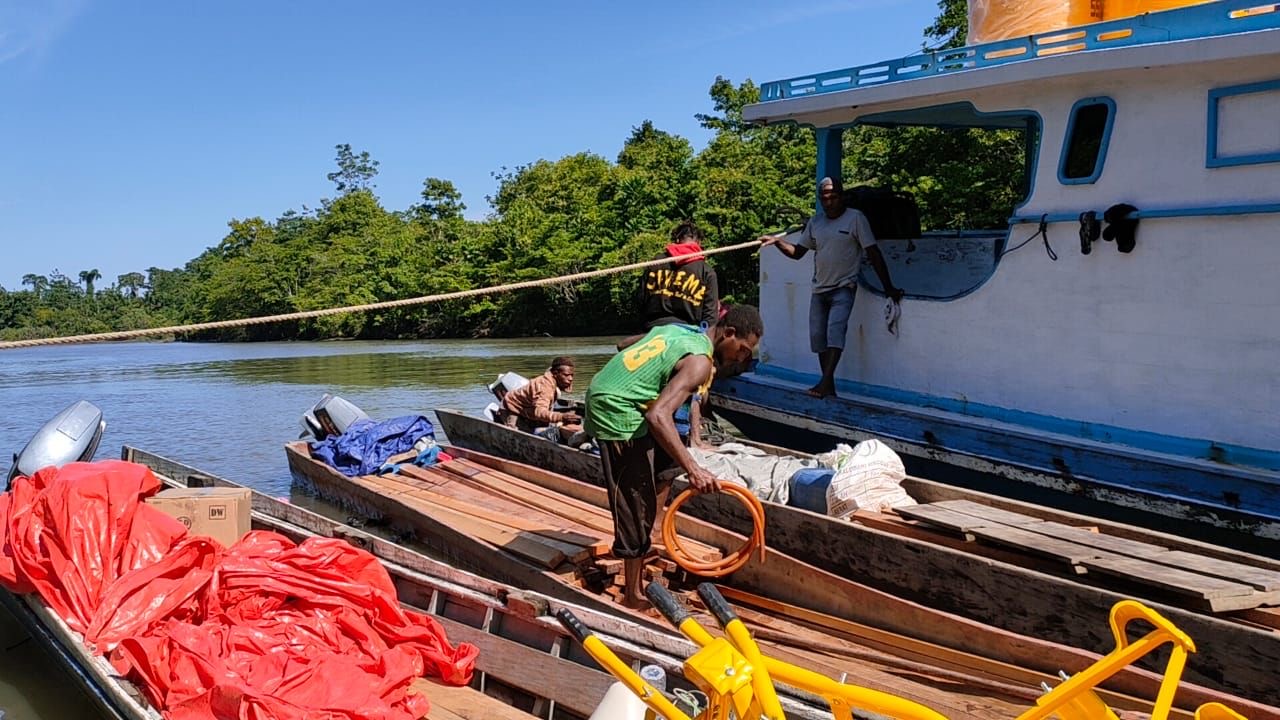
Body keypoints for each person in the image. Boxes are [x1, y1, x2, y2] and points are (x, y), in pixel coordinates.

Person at [585, 305, 763, 609]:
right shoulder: (700, 362)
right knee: (634, 497)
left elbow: (625, 344)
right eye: (743, 349)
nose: (743, 358)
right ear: (729, 333)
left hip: (623, 396)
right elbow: (658, 415)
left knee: (666, 468)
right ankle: (633, 594)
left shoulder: (681, 331)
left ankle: (649, 536)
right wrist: (694, 469)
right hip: (615, 407)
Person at [759, 177, 903, 399]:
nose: (829, 202)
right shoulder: (816, 223)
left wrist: (888, 287)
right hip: (819, 289)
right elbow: (797, 253)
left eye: (833, 197)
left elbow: (873, 252)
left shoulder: (855, 218)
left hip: (844, 286)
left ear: (842, 197)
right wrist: (777, 242)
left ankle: (825, 382)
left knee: (835, 332)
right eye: (824, 199)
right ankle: (829, 385)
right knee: (818, 338)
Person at [616, 221, 721, 447]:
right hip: (686, 337)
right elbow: (710, 319)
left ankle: (640, 435)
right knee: (690, 386)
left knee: (649, 389)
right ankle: (693, 438)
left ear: (676, 239)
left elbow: (641, 302)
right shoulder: (705, 271)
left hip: (653, 334)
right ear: (699, 242)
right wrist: (707, 358)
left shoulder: (655, 264)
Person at [500, 357, 583, 442]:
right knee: (516, 438)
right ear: (555, 373)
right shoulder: (544, 387)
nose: (570, 378)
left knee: (545, 429)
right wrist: (561, 417)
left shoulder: (552, 379)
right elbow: (539, 412)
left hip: (529, 409)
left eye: (572, 375)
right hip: (512, 408)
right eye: (566, 375)